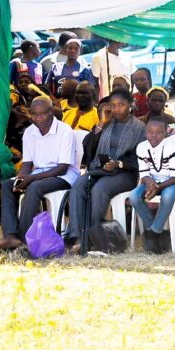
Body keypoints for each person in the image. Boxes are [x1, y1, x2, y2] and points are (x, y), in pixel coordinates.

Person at [64, 89, 146, 252]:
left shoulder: (139, 128)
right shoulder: (107, 123)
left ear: (130, 105)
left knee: (99, 189)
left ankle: (92, 236)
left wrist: (118, 164)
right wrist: (101, 124)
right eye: (113, 106)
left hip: (125, 173)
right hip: (99, 170)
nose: (116, 109)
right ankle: (77, 236)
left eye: (121, 105)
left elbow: (140, 157)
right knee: (78, 186)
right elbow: (89, 150)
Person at [0, 97, 79, 250]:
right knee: (7, 185)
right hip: (39, 173)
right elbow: (27, 164)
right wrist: (21, 178)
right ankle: (10, 235)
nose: (38, 118)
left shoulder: (65, 131)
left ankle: (23, 238)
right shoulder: (29, 132)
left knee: (35, 187)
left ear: (51, 112)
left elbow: (63, 168)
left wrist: (31, 178)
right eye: (34, 114)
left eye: (43, 114)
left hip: (64, 175)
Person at [129, 118, 175, 253]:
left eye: (158, 132)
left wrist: (157, 187)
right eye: (150, 132)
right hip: (152, 182)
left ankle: (153, 233)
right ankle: (155, 233)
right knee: (134, 196)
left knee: (168, 195)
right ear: (145, 132)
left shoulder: (173, 146)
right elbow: (144, 174)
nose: (153, 135)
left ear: (166, 132)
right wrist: (150, 184)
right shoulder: (141, 147)